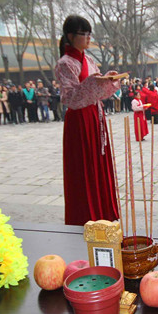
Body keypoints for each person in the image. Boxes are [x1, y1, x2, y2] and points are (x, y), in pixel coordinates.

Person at [57, 15, 121, 226]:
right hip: (80, 121)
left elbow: (96, 91)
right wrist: (94, 83)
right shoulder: (65, 64)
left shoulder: (89, 60)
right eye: (83, 34)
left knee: (99, 164)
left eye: (89, 34)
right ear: (70, 36)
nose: (88, 38)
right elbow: (71, 97)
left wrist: (106, 80)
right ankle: (85, 216)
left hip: (95, 116)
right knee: (84, 169)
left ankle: (104, 212)